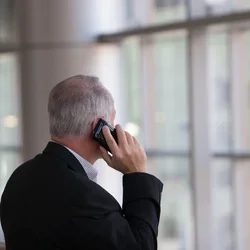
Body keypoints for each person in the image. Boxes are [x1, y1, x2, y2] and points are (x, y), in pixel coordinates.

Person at [0, 75, 163, 250]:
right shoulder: (86, 198)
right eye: (112, 121)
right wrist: (136, 174)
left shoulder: (20, 177)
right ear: (99, 128)